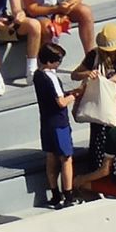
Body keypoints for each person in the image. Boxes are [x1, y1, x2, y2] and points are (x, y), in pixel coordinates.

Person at [70, 22, 116, 170]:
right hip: (100, 101)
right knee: (100, 138)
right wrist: (87, 73)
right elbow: (74, 75)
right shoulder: (94, 55)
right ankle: (99, 172)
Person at [33, 39, 77, 208]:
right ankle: (68, 195)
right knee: (66, 159)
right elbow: (60, 102)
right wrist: (74, 95)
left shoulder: (38, 75)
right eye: (58, 61)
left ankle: (55, 193)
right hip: (59, 124)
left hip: (46, 123)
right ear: (50, 62)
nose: (59, 64)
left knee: (51, 157)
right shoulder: (51, 77)